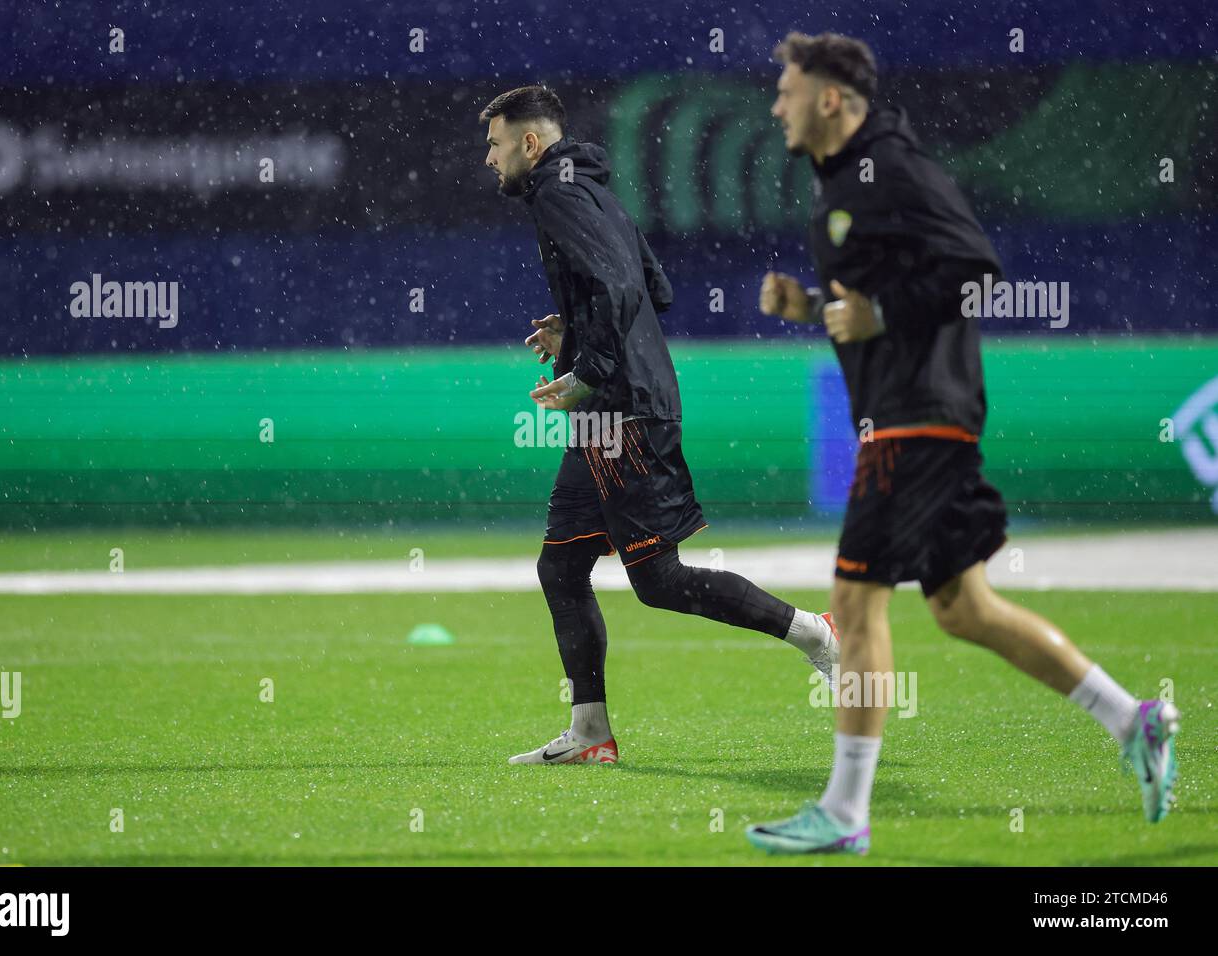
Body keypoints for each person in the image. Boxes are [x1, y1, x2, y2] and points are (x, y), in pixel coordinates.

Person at [748, 32, 1179, 853]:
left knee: (852, 602)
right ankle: (1135, 720)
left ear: (831, 98)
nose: (776, 103)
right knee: (963, 608)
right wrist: (811, 310)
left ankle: (842, 813)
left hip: (920, 416)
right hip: (906, 411)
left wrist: (881, 313)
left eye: (789, 89)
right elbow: (887, 293)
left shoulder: (897, 169)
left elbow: (978, 270)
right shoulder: (841, 181)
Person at [479, 85, 839, 765]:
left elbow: (621, 287)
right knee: (561, 568)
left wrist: (588, 370)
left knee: (659, 580)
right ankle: (590, 733)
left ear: (530, 142)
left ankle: (816, 634)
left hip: (623, 411)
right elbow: (655, 286)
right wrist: (574, 326)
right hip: (615, 410)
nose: (489, 159)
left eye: (495, 144)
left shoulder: (558, 194)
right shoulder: (592, 187)